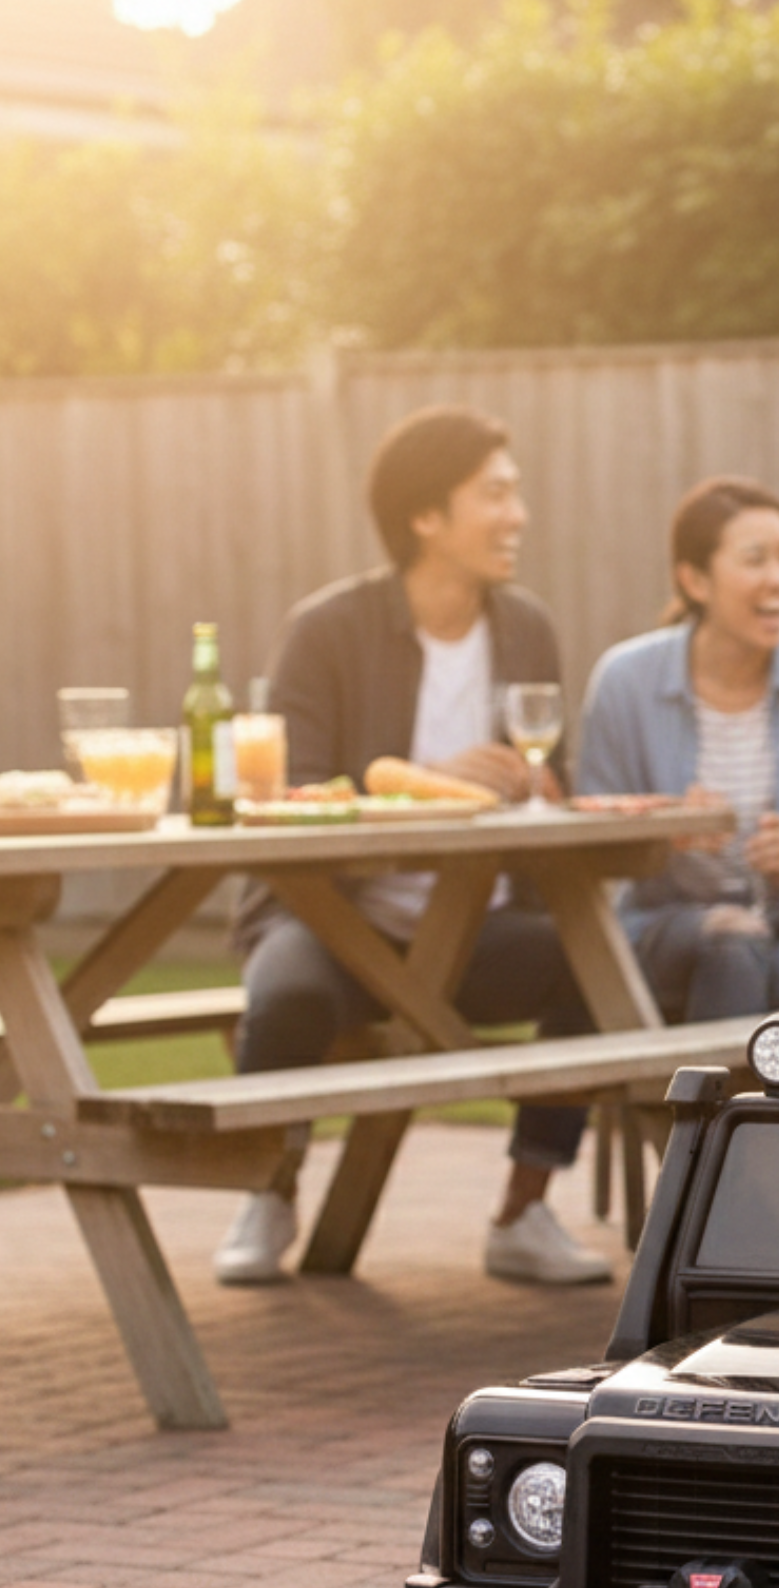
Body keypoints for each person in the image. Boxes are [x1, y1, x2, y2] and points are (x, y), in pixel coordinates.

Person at [216, 404, 613, 1289]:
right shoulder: (326, 630)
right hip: (331, 925)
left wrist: (543, 791)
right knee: (282, 997)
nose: (518, 515)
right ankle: (267, 1190)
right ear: (425, 516)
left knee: (592, 964)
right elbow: (291, 793)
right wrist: (426, 779)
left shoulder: (526, 629)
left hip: (476, 933)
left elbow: (557, 779)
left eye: (516, 494)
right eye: (496, 496)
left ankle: (523, 1208)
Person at [571, 475, 779, 1026]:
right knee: (731, 943)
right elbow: (589, 836)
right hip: (666, 920)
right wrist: (664, 832)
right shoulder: (625, 681)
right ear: (694, 579)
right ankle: (721, 1115)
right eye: (755, 560)